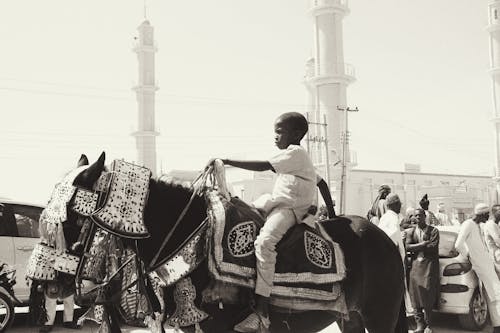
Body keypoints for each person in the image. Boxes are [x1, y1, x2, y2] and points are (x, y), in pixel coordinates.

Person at [210, 112, 335, 332]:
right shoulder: (297, 158)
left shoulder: (295, 153)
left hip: (290, 210)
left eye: (280, 132)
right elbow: (322, 183)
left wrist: (227, 161)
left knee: (264, 243)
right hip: (277, 205)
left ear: (296, 134)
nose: (275, 136)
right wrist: (333, 213)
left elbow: (264, 165)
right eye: (275, 132)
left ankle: (262, 310)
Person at [455, 203, 500, 333]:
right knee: (496, 295)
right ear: (480, 214)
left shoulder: (479, 225)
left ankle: (497, 326)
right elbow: (458, 244)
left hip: (487, 263)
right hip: (480, 265)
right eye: (486, 215)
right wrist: (469, 256)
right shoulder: (468, 224)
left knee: (494, 296)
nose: (488, 217)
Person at [405, 208, 440, 333]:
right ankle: (419, 325)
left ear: (425, 216)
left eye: (420, 215)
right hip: (415, 268)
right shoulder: (411, 232)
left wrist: (418, 247)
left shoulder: (433, 231)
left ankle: (428, 325)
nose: (418, 217)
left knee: (427, 295)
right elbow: (408, 247)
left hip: (429, 266)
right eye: (415, 216)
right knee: (415, 296)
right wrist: (423, 244)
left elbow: (433, 247)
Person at [484, 204, 500, 278]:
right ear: (494, 213)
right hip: (496, 256)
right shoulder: (491, 225)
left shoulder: (496, 225)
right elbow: (498, 241)